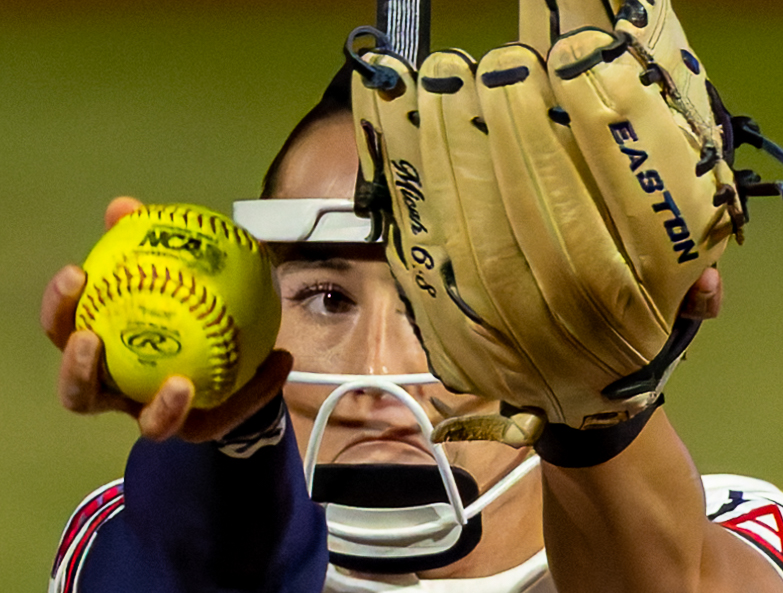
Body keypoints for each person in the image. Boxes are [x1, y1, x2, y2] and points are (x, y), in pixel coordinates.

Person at [42, 58, 783, 593]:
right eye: (327, 297)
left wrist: (603, 415)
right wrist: (229, 459)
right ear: (254, 315)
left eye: (447, 301)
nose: (378, 369)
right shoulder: (120, 531)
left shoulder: (746, 522)